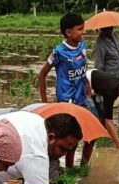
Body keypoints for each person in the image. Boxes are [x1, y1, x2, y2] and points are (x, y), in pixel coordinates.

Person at [38, 12, 89, 167]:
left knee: (82, 136)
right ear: (68, 32)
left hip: (82, 99)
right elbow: (42, 74)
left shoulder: (82, 45)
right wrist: (45, 103)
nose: (83, 32)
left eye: (83, 28)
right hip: (66, 102)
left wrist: (87, 84)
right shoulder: (58, 52)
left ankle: (76, 168)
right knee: (67, 138)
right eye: (80, 29)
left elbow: (83, 69)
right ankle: (63, 167)